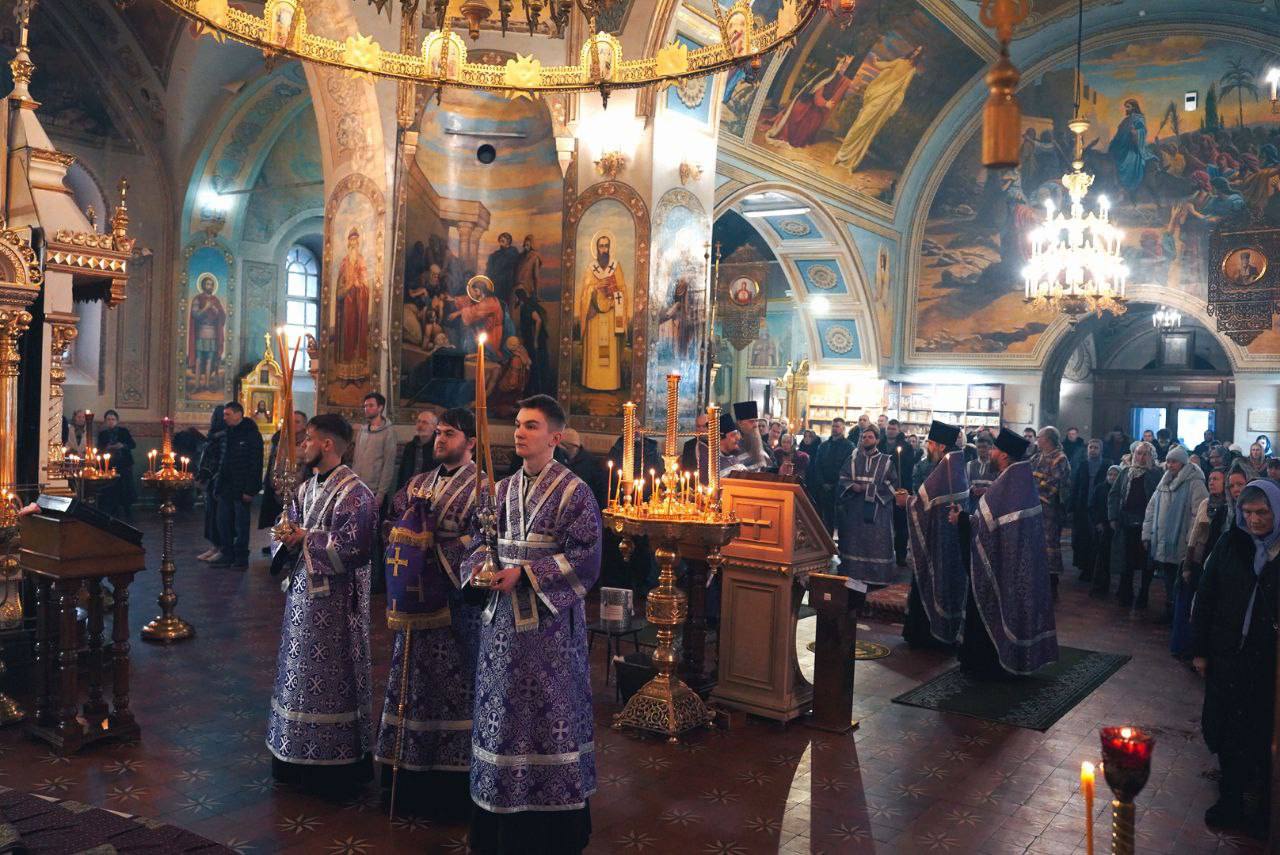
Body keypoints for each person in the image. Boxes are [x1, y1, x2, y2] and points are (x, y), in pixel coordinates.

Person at [461, 395, 601, 855]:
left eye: (532, 426)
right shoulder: (499, 491)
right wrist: (482, 566)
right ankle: (500, 814)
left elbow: (588, 557)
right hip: (500, 627)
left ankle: (552, 825)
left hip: (550, 632)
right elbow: (480, 542)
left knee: (549, 715)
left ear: (555, 437)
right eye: (518, 424)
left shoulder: (575, 491)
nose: (520, 432)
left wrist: (526, 573)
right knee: (501, 715)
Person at [376, 408, 483, 818]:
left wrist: (435, 550)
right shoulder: (417, 483)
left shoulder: (483, 487)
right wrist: (406, 535)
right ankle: (407, 776)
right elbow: (391, 524)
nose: (440, 440)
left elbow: (485, 538)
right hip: (413, 613)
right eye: (438, 433)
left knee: (455, 690)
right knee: (411, 687)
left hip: (455, 613)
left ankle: (450, 785)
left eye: (450, 434)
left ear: (470, 441)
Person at [267, 414, 377, 795]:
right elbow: (285, 529)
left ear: (327, 444)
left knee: (332, 677)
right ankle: (294, 752)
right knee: (297, 672)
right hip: (300, 598)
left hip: (336, 607)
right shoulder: (304, 488)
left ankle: (334, 762)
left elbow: (356, 548)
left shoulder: (357, 493)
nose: (303, 446)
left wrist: (305, 538)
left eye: (308, 439)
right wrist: (285, 536)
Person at [1193, 480, 1280, 836]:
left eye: (1262, 512)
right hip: (1227, 654)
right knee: (1224, 729)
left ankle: (1261, 806)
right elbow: (1207, 595)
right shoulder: (1231, 543)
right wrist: (1199, 650)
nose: (1254, 519)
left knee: (1260, 734)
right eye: (1248, 512)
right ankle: (1229, 800)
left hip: (1267, 663)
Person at [950, 427, 1059, 678]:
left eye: (996, 449)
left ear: (1006, 455)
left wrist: (962, 520)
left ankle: (988, 663)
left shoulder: (1010, 481)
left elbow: (985, 525)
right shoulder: (1018, 478)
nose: (992, 452)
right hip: (1013, 560)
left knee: (992, 607)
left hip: (1003, 566)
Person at [902, 421, 967, 649]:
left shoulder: (947, 468)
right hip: (940, 536)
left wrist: (907, 501)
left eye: (930, 443)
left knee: (936, 579)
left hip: (941, 539)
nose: (927, 447)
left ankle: (931, 635)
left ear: (940, 446)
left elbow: (923, 503)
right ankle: (922, 631)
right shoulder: (953, 465)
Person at [1175, 468, 1238, 659]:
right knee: (1196, 606)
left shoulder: (1231, 507)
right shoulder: (1205, 503)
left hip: (1220, 561)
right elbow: (1194, 536)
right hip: (1200, 559)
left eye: (1216, 479)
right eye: (1210, 479)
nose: (1211, 482)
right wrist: (1187, 564)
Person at [1142, 445, 1209, 625]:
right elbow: (1151, 508)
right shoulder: (1164, 482)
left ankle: (1179, 615)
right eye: (1169, 461)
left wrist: (1191, 541)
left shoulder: (1195, 482)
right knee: (1168, 577)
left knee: (1181, 580)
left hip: (1182, 541)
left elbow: (1199, 514)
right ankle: (1170, 609)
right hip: (1163, 538)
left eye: (1174, 462)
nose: (1170, 465)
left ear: (1182, 463)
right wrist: (1147, 534)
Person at [837, 425, 899, 585]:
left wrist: (869, 489)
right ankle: (853, 574)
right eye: (864, 437)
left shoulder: (886, 461)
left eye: (870, 437)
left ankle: (877, 576)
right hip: (855, 511)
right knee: (854, 542)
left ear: (877, 440)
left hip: (878, 512)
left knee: (876, 544)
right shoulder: (853, 459)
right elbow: (843, 477)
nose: (866, 440)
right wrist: (853, 486)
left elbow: (893, 485)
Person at [1108, 441, 1162, 609]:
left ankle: (1143, 594)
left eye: (1145, 454)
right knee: (1126, 559)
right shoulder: (1126, 472)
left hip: (1146, 523)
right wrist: (1113, 517)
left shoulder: (1156, 474)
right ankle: (1126, 592)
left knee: (1146, 561)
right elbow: (1114, 495)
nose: (1141, 457)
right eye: (1138, 453)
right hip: (1126, 521)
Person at [211, 402, 263, 570]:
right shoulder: (226, 434)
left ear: (238, 414)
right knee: (223, 521)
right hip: (226, 486)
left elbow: (256, 463)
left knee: (241, 524)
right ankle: (227, 554)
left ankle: (241, 557)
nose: (224, 418)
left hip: (242, 487)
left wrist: (250, 489)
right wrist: (218, 486)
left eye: (227, 414)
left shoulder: (251, 434)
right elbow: (222, 461)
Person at [1029, 426, 1072, 596]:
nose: (1037, 440)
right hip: (1034, 508)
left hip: (1050, 509)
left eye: (1039, 437)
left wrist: (1033, 492)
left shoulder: (1060, 459)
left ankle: (1052, 583)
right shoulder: (1037, 456)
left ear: (1047, 439)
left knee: (1050, 545)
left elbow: (1054, 484)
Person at [258, 410, 308, 552]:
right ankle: (278, 547)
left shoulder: (307, 443)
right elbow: (275, 464)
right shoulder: (282, 441)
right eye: (291, 421)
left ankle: (291, 551)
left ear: (304, 425)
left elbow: (307, 470)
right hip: (281, 489)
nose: (293, 424)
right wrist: (275, 483)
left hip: (299, 491)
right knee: (279, 520)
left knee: (296, 523)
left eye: (297, 422)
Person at [353, 392, 398, 510]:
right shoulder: (362, 431)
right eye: (365, 406)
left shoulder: (389, 432)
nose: (367, 409)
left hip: (375, 491)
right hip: (358, 487)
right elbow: (356, 460)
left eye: (371, 405)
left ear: (380, 407)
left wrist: (381, 494)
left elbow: (388, 464)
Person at [1070, 439, 1106, 581]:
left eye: (1096, 447)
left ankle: (1095, 569)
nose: (1093, 450)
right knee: (1082, 539)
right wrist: (1072, 506)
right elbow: (1076, 486)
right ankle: (1085, 568)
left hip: (1098, 507)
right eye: (1091, 447)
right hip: (1083, 506)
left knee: (1096, 540)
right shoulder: (1083, 465)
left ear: (1100, 450)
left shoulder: (1106, 465)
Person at [811, 418, 852, 535]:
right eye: (833, 426)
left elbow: (847, 467)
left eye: (837, 426)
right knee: (825, 520)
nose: (834, 429)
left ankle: (842, 548)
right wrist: (823, 483)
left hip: (840, 488)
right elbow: (817, 465)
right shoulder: (823, 446)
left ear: (843, 429)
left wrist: (836, 484)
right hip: (824, 488)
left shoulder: (849, 446)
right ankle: (827, 547)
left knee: (842, 520)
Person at [196, 405, 227, 562]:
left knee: (218, 515)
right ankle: (214, 546)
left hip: (217, 480)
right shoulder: (214, 435)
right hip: (210, 480)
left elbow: (220, 459)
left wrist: (213, 477)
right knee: (211, 515)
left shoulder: (224, 436)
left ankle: (221, 547)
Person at [884, 419, 915, 566]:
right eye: (889, 428)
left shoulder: (907, 447)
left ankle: (901, 555)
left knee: (901, 525)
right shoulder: (880, 444)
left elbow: (908, 467)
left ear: (898, 430)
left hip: (900, 488)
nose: (890, 430)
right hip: (883, 489)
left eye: (893, 428)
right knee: (884, 523)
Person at [96, 410, 137, 521]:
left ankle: (127, 511)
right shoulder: (103, 434)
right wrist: (106, 448)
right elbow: (99, 449)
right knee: (111, 488)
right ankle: (113, 510)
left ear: (117, 421)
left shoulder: (123, 431)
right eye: (108, 419)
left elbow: (133, 444)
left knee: (126, 487)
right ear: (105, 421)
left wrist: (122, 445)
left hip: (124, 464)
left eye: (113, 419)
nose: (110, 422)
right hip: (110, 464)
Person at [1090, 466, 1121, 598]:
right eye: (1110, 474)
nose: (1112, 477)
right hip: (1102, 527)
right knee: (1101, 558)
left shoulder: (1121, 490)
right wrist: (1098, 522)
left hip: (1115, 528)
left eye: (1115, 475)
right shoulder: (1100, 488)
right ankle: (1098, 587)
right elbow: (1093, 507)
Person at [560, 428, 608, 512]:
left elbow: (600, 492)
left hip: (584, 510)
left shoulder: (592, 463)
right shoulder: (558, 459)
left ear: (567, 447)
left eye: (561, 446)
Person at [396, 410, 439, 492]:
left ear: (434, 427)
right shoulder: (410, 447)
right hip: (408, 491)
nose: (420, 425)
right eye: (418, 421)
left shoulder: (438, 448)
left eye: (425, 422)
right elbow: (402, 473)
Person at [966, 433, 997, 512]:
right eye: (979, 447)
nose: (981, 450)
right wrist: (972, 488)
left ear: (990, 448)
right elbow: (965, 483)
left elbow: (999, 486)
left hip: (990, 506)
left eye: (984, 447)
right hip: (973, 505)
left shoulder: (996, 466)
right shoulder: (969, 465)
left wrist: (987, 490)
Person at [680, 412, 710, 484]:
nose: (701, 430)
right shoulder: (689, 445)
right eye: (698, 426)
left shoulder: (719, 444)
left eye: (704, 426)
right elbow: (686, 471)